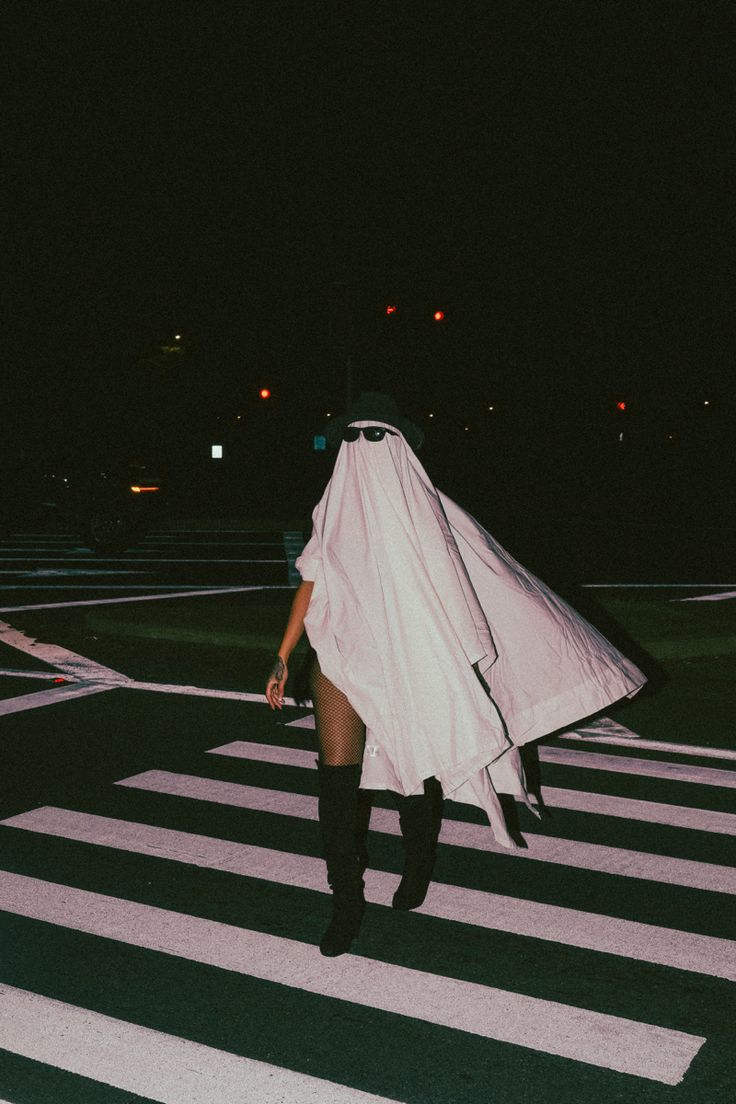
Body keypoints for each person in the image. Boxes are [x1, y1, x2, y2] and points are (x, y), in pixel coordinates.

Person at [266, 392, 646, 957]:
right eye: (351, 436)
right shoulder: (332, 509)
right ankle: (345, 898)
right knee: (336, 783)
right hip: (341, 656)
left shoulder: (429, 511)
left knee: (418, 772)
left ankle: (418, 862)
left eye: (375, 435)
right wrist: (283, 654)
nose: (361, 447)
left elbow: (478, 579)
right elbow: (312, 580)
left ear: (397, 445)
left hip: (413, 661)